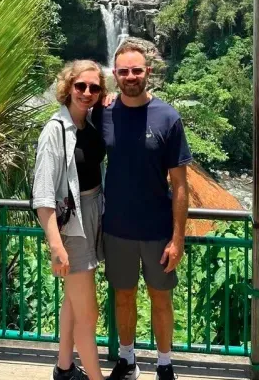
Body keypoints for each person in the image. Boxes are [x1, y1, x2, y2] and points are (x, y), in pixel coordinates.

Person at [95, 40, 192, 380]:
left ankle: (165, 365)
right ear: (115, 75)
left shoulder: (168, 118)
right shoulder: (103, 113)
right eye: (124, 71)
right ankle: (127, 361)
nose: (131, 76)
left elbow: (181, 185)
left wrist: (178, 239)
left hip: (156, 230)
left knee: (161, 299)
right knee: (123, 297)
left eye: (137, 70)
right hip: (117, 227)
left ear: (148, 72)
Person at [33, 61, 107, 380]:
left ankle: (64, 368)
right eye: (80, 86)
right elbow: (43, 195)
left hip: (93, 213)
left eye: (94, 88)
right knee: (89, 314)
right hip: (72, 226)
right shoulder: (54, 131)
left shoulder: (88, 124)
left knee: (74, 303)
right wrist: (56, 245)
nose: (86, 92)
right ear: (68, 87)